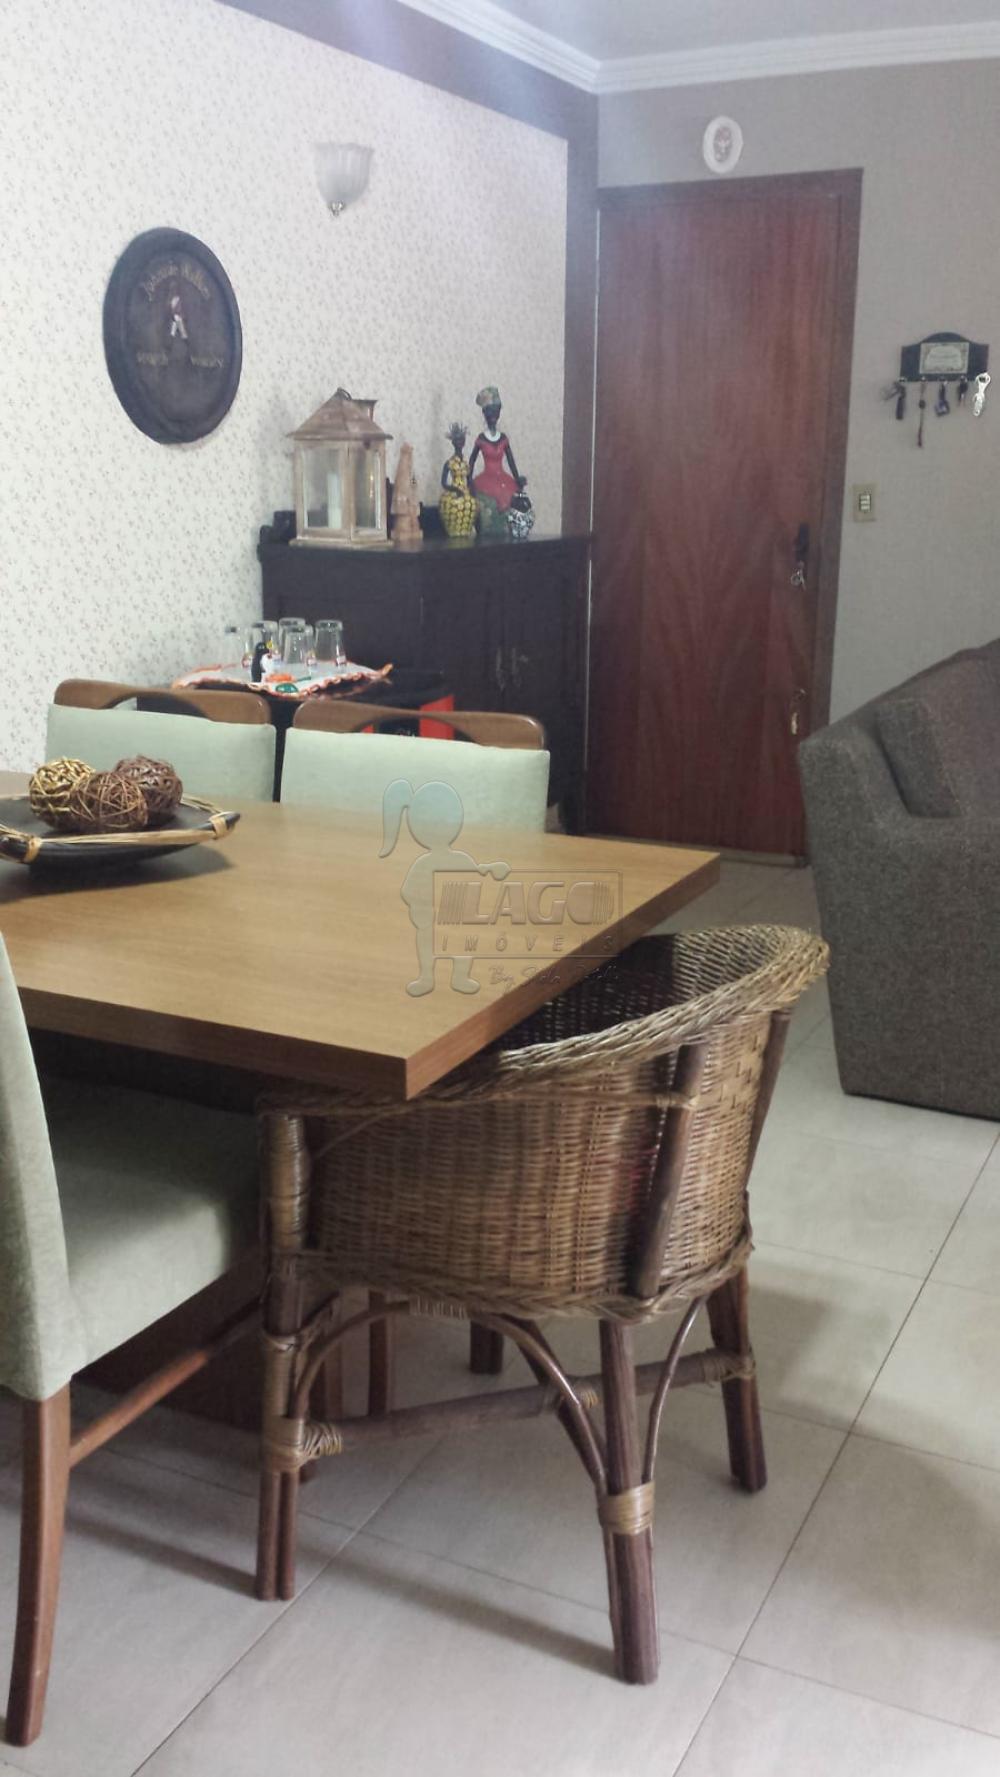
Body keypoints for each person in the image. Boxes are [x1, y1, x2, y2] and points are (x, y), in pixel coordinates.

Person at [467, 385, 526, 514]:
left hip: (504, 480)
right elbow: (472, 461)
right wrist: (468, 480)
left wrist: (517, 478)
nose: (493, 416)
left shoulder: (503, 438)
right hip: (485, 481)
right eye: (490, 412)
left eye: (496, 412)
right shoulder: (481, 439)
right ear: (484, 414)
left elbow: (511, 461)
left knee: (509, 501)